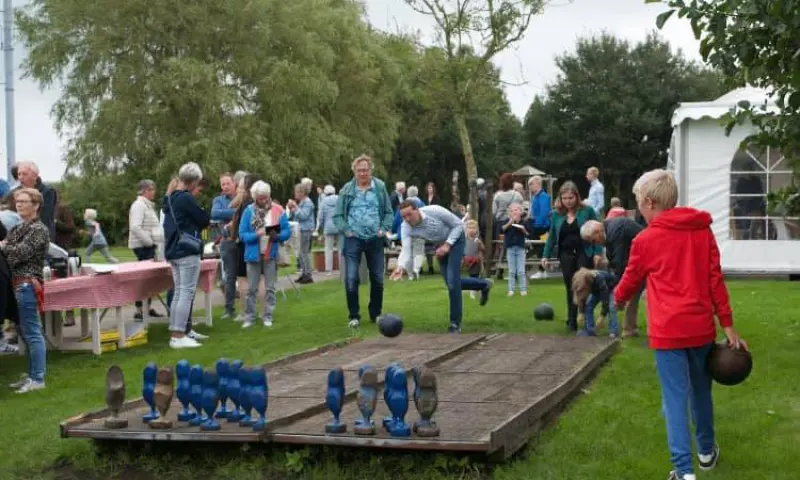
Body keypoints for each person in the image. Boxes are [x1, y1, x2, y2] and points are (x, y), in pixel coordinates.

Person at [613, 169, 747, 480]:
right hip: (700, 329)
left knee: (674, 400)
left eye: (638, 203)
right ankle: (705, 452)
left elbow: (631, 278)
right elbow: (715, 279)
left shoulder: (645, 239)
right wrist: (727, 325)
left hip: (667, 333)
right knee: (701, 393)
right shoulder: (702, 231)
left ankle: (683, 472)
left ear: (648, 202)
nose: (638, 209)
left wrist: (618, 300)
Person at [391, 201, 493, 333]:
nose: (407, 219)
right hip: (439, 245)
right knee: (452, 282)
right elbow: (406, 249)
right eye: (404, 217)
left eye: (409, 215)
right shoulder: (406, 227)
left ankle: (455, 324)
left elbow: (458, 225)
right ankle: (484, 285)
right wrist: (400, 267)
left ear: (417, 210)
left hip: (456, 240)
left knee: (452, 283)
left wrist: (448, 245)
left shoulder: (435, 210)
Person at [333, 154, 394, 329]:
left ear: (371, 170)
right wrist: (346, 231)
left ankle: (376, 313)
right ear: (354, 171)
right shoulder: (347, 190)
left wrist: (384, 228)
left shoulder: (380, 187)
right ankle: (354, 316)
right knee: (351, 277)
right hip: (354, 238)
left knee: (377, 278)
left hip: (375, 237)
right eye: (359, 170)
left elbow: (389, 212)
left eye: (366, 170)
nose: (363, 173)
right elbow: (338, 215)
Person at [3, 188, 50, 393]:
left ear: (36, 205)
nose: (19, 204)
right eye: (18, 201)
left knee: (32, 332)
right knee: (24, 331)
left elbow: (19, 254)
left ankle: (38, 378)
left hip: (27, 284)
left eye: (24, 201)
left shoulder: (39, 230)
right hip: (15, 284)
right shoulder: (17, 228)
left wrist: (5, 247)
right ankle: (32, 375)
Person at [541, 181, 601, 332]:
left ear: (577, 196)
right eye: (564, 198)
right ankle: (572, 319)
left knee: (583, 284)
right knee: (570, 286)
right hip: (566, 254)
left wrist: (598, 253)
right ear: (560, 199)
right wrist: (545, 255)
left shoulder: (587, 211)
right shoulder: (556, 215)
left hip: (584, 251)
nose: (568, 201)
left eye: (571, 198)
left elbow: (598, 232)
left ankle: (587, 317)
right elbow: (552, 237)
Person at [162, 162, 211, 349]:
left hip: (173, 249)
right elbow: (203, 219)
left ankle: (179, 331)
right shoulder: (186, 198)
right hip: (186, 250)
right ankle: (178, 335)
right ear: (193, 181)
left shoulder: (170, 198)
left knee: (178, 292)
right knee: (186, 292)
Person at [238, 181, 292, 328]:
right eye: (260, 198)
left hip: (270, 253)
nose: (263, 200)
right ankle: (249, 317)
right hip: (253, 255)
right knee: (251, 288)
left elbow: (287, 231)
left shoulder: (278, 210)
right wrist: (256, 234)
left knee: (270, 287)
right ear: (255, 197)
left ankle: (268, 316)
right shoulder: (249, 211)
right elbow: (242, 234)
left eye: (265, 197)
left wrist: (278, 235)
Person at [581, 217, 645, 337]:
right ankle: (631, 329)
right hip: (640, 259)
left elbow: (619, 261)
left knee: (631, 294)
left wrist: (619, 289)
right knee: (632, 295)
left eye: (593, 240)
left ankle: (629, 330)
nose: (595, 244)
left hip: (646, 259)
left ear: (598, 232)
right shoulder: (609, 229)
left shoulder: (615, 233)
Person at [128, 179, 166, 321]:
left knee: (150, 278)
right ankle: (139, 309)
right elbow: (135, 227)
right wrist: (149, 242)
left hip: (149, 245)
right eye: (150, 189)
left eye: (153, 189)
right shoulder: (139, 205)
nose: (153, 192)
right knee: (145, 279)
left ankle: (147, 307)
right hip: (143, 246)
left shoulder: (147, 205)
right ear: (143, 191)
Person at [571, 267, 619, 337]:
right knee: (589, 305)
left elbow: (605, 300)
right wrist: (581, 312)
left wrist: (602, 316)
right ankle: (590, 330)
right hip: (596, 290)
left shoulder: (599, 279)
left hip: (611, 288)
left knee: (611, 307)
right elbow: (582, 297)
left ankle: (613, 331)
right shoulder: (583, 282)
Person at [287, 183, 315, 284]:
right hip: (301, 229)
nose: (295, 193)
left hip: (306, 229)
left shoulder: (308, 203)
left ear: (302, 192)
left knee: (304, 252)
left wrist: (295, 207)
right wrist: (292, 209)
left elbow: (303, 216)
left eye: (296, 191)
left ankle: (308, 275)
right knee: (301, 252)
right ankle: (304, 273)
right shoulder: (302, 202)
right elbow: (296, 215)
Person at [527, 175, 551, 279]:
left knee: (540, 247)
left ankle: (542, 270)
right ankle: (542, 269)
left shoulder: (543, 196)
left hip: (541, 226)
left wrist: (536, 225)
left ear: (537, 183)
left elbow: (544, 212)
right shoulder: (535, 197)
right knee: (538, 247)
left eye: (531, 184)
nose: (530, 187)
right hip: (537, 224)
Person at [501, 203, 528, 296]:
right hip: (510, 248)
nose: (514, 212)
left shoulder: (523, 222)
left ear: (520, 212)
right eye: (512, 211)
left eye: (516, 210)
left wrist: (523, 229)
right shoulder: (506, 221)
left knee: (521, 270)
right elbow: (503, 229)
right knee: (512, 270)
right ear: (509, 213)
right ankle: (511, 289)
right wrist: (510, 222)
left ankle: (523, 289)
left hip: (520, 248)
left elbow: (527, 233)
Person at [316, 185, 340, 275]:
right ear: (334, 191)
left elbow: (321, 217)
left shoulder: (323, 202)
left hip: (328, 226)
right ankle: (343, 268)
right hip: (339, 226)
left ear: (325, 193)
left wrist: (322, 226)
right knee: (341, 248)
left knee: (328, 249)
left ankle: (329, 270)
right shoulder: (339, 199)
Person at [463, 219, 484, 299]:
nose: (471, 230)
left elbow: (483, 249)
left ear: (476, 229)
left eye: (473, 228)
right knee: (470, 275)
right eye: (469, 228)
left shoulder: (477, 239)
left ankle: (474, 291)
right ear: (466, 229)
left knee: (475, 275)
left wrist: (480, 243)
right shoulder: (464, 239)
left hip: (476, 261)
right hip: (467, 261)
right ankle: (474, 288)